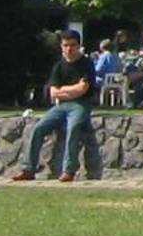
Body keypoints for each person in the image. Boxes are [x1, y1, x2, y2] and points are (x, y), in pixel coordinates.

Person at [12, 30, 96, 182]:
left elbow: (83, 89)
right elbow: (53, 92)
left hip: (81, 104)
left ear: (79, 46)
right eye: (65, 45)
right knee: (38, 128)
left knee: (73, 127)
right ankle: (28, 169)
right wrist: (69, 90)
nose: (69, 49)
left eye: (72, 45)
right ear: (61, 46)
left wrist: (64, 90)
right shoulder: (58, 66)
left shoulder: (86, 64)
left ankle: (69, 170)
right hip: (61, 106)